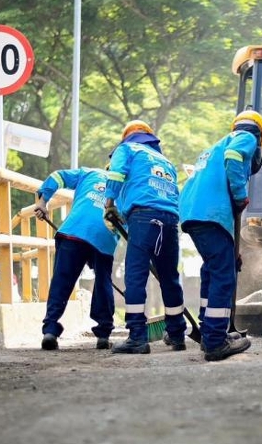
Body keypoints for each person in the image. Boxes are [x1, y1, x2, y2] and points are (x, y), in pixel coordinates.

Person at [179, 110, 262, 361]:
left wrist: (232, 251)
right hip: (210, 214)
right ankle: (216, 341)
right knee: (223, 275)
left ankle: (209, 331)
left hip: (194, 213)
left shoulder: (213, 148)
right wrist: (240, 195)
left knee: (212, 268)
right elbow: (234, 157)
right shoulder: (246, 137)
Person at [104, 120, 187, 354]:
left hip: (143, 218)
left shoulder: (127, 148)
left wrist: (109, 204)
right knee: (169, 278)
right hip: (170, 220)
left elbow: (116, 175)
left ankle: (137, 337)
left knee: (135, 276)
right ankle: (177, 335)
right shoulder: (165, 161)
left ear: (127, 136)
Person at [35, 167, 118, 351]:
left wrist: (42, 202)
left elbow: (56, 176)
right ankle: (103, 335)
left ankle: (50, 331)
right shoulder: (127, 184)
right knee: (103, 282)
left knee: (61, 281)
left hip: (74, 230)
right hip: (104, 236)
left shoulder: (89, 173)